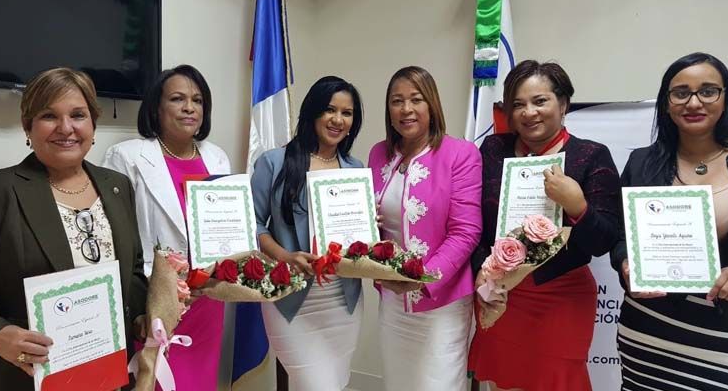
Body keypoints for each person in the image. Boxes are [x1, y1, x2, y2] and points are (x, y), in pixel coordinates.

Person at [0, 67, 148, 390]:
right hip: (20, 377)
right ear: (28, 126)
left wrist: (144, 314)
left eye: (78, 115)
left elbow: (133, 271)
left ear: (93, 123)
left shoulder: (117, 186)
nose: (66, 128)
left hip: (106, 372)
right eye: (49, 116)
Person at [468, 60, 621, 391]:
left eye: (540, 101)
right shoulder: (494, 150)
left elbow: (605, 240)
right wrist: (482, 271)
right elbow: (474, 221)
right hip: (500, 293)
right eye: (518, 104)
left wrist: (577, 206)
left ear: (563, 103)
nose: (529, 113)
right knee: (502, 382)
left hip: (561, 297)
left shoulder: (591, 155)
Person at [610, 52, 728, 390]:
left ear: (725, 98)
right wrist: (626, 263)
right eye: (681, 93)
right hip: (648, 327)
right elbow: (620, 236)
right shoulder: (642, 163)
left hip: (726, 334)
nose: (693, 102)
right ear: (666, 103)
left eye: (708, 91)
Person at [102, 64, 231, 391]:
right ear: (156, 108)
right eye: (177, 99)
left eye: (197, 100)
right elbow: (115, 236)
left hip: (208, 297)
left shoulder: (217, 157)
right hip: (155, 298)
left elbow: (226, 226)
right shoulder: (127, 156)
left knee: (200, 383)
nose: (189, 107)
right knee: (157, 381)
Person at [367, 66, 482, 391]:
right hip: (393, 301)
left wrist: (421, 278)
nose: (406, 109)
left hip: (442, 304)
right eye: (397, 101)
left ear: (432, 104)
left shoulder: (461, 154)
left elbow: (466, 231)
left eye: (416, 99)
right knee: (397, 383)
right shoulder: (378, 153)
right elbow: (372, 225)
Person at [251, 76, 365, 391]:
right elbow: (252, 222)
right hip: (291, 298)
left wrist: (369, 222)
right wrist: (284, 256)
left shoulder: (355, 169)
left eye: (347, 113)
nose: (338, 120)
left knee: (336, 383)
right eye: (330, 109)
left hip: (344, 299)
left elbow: (360, 237)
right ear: (312, 111)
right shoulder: (273, 162)